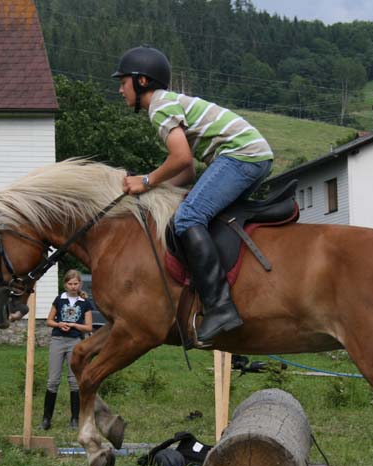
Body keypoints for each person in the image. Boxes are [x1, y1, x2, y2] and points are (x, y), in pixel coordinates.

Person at [113, 46, 274, 343]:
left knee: (187, 218)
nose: (120, 90)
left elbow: (181, 158)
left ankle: (221, 307)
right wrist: (153, 192)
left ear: (141, 81)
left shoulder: (159, 107)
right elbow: (186, 174)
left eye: (123, 82)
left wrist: (146, 181)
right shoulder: (168, 104)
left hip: (240, 156)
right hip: (252, 156)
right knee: (193, 209)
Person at [41, 269, 92, 430]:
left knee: (73, 381)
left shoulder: (85, 303)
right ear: (65, 284)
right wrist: (59, 324)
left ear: (80, 284)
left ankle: (75, 419)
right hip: (58, 340)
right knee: (53, 380)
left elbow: (89, 327)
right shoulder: (59, 299)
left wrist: (75, 325)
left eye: (76, 283)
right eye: (70, 283)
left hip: (75, 342)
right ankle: (46, 419)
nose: (73, 286)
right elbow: (49, 321)